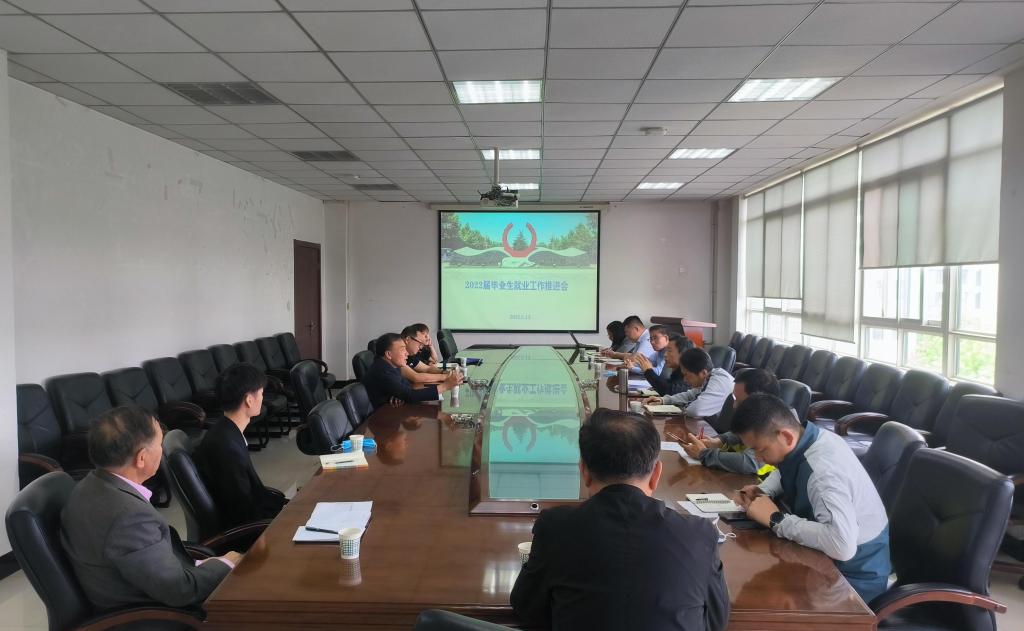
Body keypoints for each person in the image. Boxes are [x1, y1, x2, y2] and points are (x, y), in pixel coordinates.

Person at [511, 408, 729, 631]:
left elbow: (527, 607)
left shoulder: (555, 527)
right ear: (656, 474)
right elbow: (716, 620)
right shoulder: (699, 534)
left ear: (584, 471)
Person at [61, 406, 239, 611]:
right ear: (142, 458)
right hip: (154, 613)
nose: (162, 450)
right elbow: (181, 590)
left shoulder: (90, 485)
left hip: (145, 584)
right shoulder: (128, 517)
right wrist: (227, 563)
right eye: (159, 444)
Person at [731, 394, 891, 603]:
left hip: (853, 579)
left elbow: (842, 546)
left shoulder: (824, 474)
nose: (758, 459)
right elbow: (788, 466)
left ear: (786, 436)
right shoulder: (809, 437)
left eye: (760, 450)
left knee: (759, 598)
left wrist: (776, 519)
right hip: (825, 560)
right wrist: (763, 490)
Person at [193, 363, 288, 530]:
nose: (262, 398)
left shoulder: (225, 430)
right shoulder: (226, 448)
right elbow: (242, 513)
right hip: (249, 533)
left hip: (253, 518)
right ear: (249, 400)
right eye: (261, 393)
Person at [683, 369, 780, 474]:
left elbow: (748, 463)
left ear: (761, 401)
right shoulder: (761, 416)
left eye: (740, 401)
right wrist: (720, 441)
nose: (734, 405)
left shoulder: (775, 426)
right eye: (734, 398)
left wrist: (704, 454)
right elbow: (740, 434)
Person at [363, 332, 462, 407]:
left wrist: (398, 394)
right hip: (381, 418)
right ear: (389, 354)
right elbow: (410, 395)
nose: (406, 353)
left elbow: (406, 385)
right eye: (402, 349)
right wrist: (445, 386)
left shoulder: (390, 365)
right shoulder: (383, 371)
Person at [645, 347, 734, 419]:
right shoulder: (710, 377)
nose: (684, 380)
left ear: (703, 373)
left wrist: (682, 408)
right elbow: (690, 395)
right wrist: (664, 400)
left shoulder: (719, 381)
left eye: (686, 375)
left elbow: (695, 410)